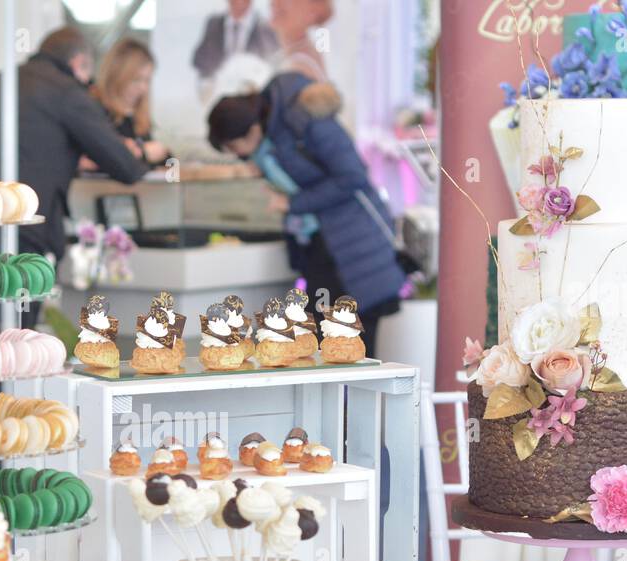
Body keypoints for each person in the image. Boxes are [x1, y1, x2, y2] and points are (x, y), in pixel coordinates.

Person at [207, 74, 405, 348]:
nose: (237, 155)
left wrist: (293, 203)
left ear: (252, 130)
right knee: (326, 344)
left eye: (233, 147)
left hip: (353, 246)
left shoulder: (304, 118)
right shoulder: (271, 140)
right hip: (322, 249)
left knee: (350, 349)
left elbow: (353, 176)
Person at [0, 27, 148, 262]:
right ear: (79, 63)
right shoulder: (67, 91)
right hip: (15, 229)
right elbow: (125, 166)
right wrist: (146, 152)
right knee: (14, 298)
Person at [91, 38, 169, 167]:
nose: (143, 88)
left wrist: (163, 154)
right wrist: (143, 153)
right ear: (118, 75)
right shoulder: (95, 113)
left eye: (147, 81)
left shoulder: (137, 118)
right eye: (136, 80)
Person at [192, 0, 280, 80]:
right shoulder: (214, 24)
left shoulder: (266, 28)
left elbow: (274, 63)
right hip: (220, 89)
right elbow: (198, 60)